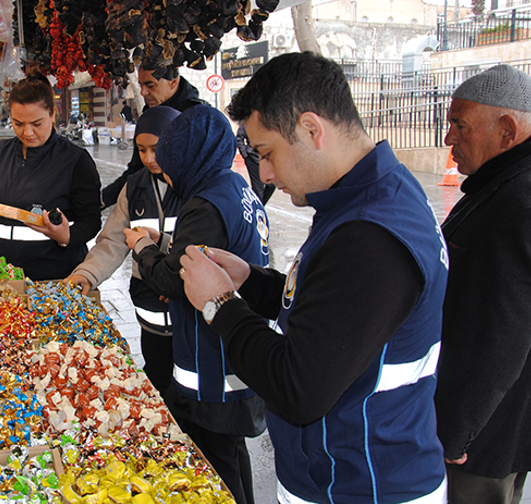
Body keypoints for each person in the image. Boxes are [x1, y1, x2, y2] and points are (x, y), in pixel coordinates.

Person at [178, 52, 449, 503]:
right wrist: (251, 282)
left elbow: (296, 387)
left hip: (362, 485)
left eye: (267, 154)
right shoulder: (372, 194)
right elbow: (330, 310)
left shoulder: (371, 234)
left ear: (310, 130)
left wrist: (220, 305)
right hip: (338, 475)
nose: (264, 174)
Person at [124, 105, 269, 504]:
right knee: (231, 453)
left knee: (215, 463)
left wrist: (143, 249)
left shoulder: (204, 203)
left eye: (170, 164)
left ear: (190, 159)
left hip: (213, 364)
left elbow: (175, 277)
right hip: (234, 360)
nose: (166, 174)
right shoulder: (236, 186)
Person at [435, 64, 531, 504]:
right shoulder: (498, 186)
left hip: (485, 436)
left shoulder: (516, 201)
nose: (449, 138)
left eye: (460, 125)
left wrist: (457, 432)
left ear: (507, 129)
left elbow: (501, 335)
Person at [65, 106, 182, 395]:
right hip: (150, 311)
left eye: (156, 149)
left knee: (188, 388)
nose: (149, 158)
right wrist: (87, 274)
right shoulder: (135, 187)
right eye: (141, 150)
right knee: (157, 378)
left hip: (187, 312)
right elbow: (113, 241)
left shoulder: (194, 185)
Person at [0, 70, 102, 281]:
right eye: (18, 123)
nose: (27, 133)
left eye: (37, 124)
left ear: (53, 115)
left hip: (53, 281)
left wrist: (67, 236)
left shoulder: (75, 161)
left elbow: (91, 220)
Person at [100, 66, 208, 208]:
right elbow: (136, 169)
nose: (143, 92)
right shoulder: (149, 114)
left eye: (150, 85)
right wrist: (104, 198)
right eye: (141, 85)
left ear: (173, 82)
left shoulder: (201, 118)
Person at [236, 123, 275, 205]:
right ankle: (258, 209)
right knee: (258, 188)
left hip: (268, 159)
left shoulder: (270, 121)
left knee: (272, 184)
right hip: (253, 160)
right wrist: (245, 154)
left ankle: (258, 207)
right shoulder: (249, 121)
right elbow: (239, 137)